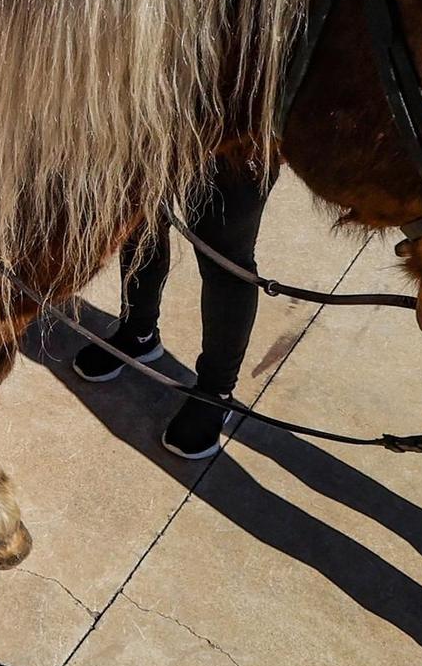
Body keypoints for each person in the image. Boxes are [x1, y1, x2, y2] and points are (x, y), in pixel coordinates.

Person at [73, 157, 273, 460]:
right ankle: (138, 333)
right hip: (162, 115)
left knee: (225, 258)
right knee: (141, 221)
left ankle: (216, 392)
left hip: (241, 130)